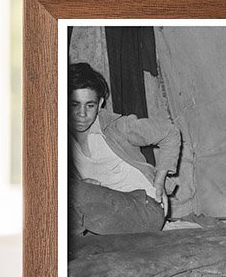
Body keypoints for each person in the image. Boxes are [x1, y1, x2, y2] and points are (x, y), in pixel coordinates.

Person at [68, 62, 181, 236]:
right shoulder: (62, 142)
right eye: (74, 105)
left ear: (99, 104)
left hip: (145, 208)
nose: (81, 114)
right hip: (109, 214)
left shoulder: (118, 127)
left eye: (89, 105)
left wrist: (159, 183)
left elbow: (169, 133)